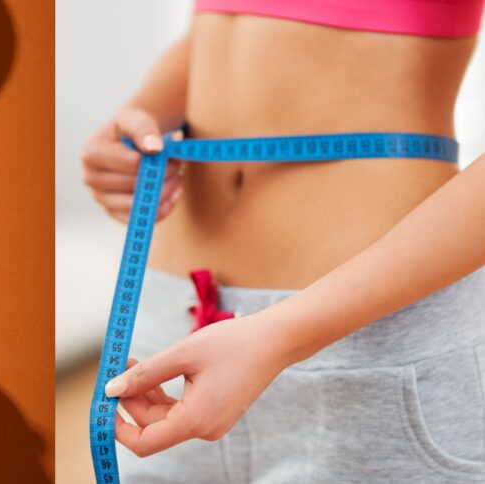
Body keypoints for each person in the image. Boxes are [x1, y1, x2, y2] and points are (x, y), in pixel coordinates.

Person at [81, 1, 485, 482]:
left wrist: (279, 335)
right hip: (171, 324)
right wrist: (147, 111)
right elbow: (229, 26)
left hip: (365, 342)